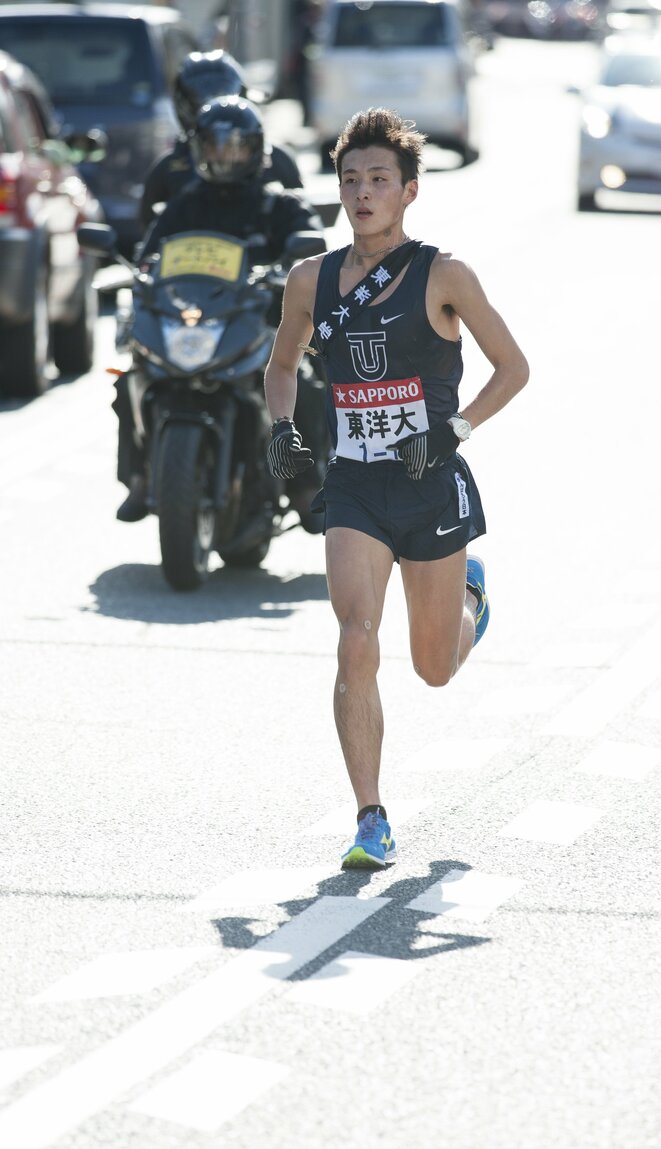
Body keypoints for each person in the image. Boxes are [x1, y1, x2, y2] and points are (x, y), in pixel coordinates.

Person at [263, 107, 529, 870]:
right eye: (350, 180)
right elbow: (282, 366)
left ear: (409, 190)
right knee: (354, 642)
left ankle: (470, 599)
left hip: (430, 484)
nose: (362, 193)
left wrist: (453, 430)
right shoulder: (309, 280)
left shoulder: (444, 273)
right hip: (354, 489)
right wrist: (283, 426)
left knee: (434, 668)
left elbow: (513, 368)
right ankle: (369, 817)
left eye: (379, 179)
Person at [115, 96, 326, 527]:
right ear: (199, 149)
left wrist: (292, 265)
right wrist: (138, 271)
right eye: (216, 147)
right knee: (130, 378)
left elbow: (313, 248)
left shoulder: (278, 204)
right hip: (194, 321)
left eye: (237, 147)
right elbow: (148, 257)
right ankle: (138, 478)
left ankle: (306, 487)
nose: (226, 157)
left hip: (263, 324)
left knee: (304, 382)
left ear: (257, 150)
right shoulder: (186, 203)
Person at [139, 50, 303, 230]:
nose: (224, 157)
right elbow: (149, 232)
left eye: (238, 150)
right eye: (213, 149)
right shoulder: (169, 171)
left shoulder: (278, 162)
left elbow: (302, 226)